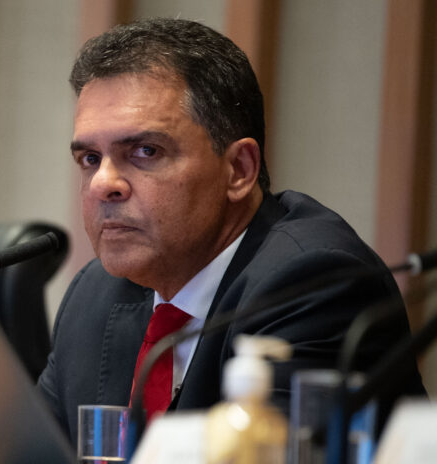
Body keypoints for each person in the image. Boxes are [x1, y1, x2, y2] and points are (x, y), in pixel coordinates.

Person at [37, 18, 425, 444]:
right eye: (90, 159)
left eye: (146, 151)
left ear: (239, 169)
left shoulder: (313, 286)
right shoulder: (95, 294)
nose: (103, 184)